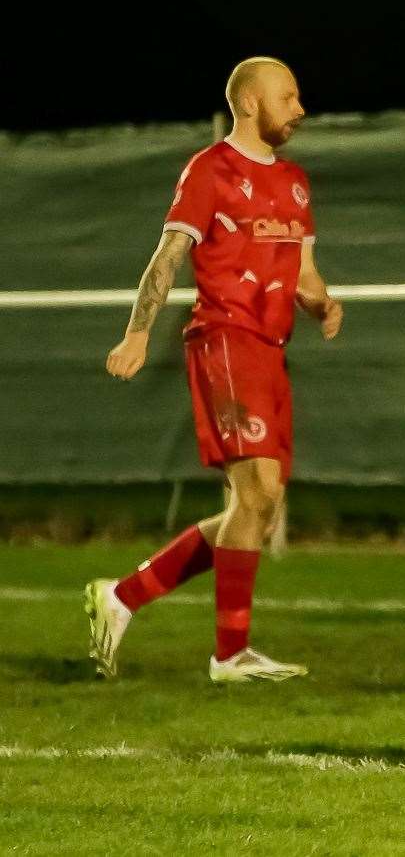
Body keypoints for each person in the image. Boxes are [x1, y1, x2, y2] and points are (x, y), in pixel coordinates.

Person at [85, 57, 341, 683]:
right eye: (289, 96)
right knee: (254, 493)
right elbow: (167, 257)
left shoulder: (296, 184)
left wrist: (323, 303)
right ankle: (229, 656)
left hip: (271, 350)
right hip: (225, 340)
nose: (300, 109)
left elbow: (303, 274)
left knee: (259, 506)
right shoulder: (211, 170)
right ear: (251, 102)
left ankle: (121, 597)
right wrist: (137, 333)